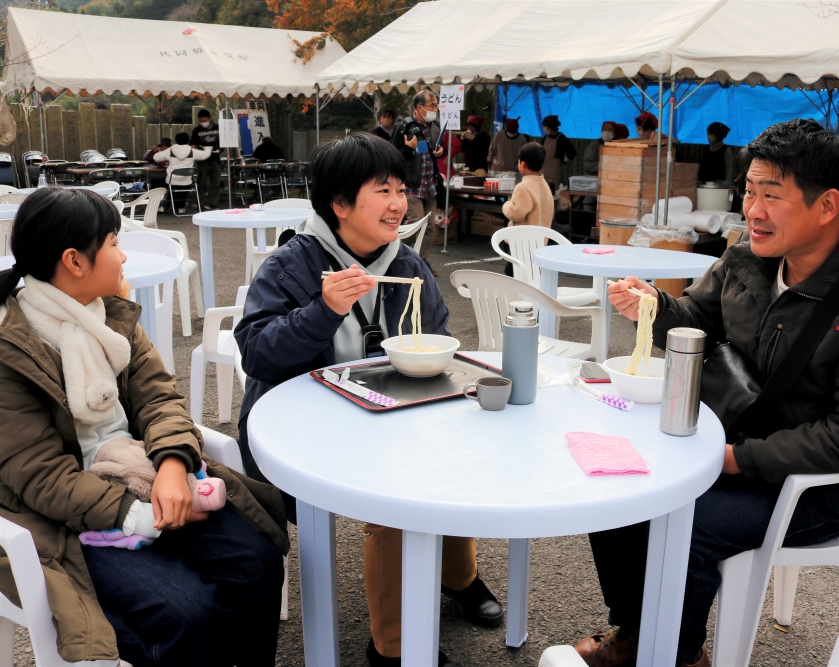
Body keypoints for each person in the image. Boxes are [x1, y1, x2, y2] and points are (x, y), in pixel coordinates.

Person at [573, 119, 839, 667]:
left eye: (772, 195)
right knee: (620, 487)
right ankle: (638, 635)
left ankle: (672, 654)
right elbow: (698, 317)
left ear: (827, 205)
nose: (753, 210)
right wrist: (654, 304)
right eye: (749, 190)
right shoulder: (748, 255)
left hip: (816, 485)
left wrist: (729, 460)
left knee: (684, 521)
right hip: (733, 438)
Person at [233, 134, 504, 667]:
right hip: (308, 431)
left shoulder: (406, 262)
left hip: (392, 411)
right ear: (339, 205)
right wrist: (323, 310)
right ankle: (395, 649)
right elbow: (256, 353)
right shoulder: (292, 264)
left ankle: (459, 577)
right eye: (383, 190)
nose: (400, 203)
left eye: (402, 189)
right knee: (398, 493)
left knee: (454, 461)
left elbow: (437, 334)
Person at [0, 188, 287, 666]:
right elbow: (38, 476)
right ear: (74, 260)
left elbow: (161, 399)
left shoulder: (110, 315)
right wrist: (137, 514)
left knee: (255, 563)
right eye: (113, 242)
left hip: (142, 475)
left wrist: (173, 465)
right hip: (59, 521)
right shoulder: (12, 348)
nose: (123, 254)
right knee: (182, 611)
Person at [391, 90, 443, 270]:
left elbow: (435, 148)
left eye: (436, 105)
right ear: (419, 107)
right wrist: (407, 148)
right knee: (415, 223)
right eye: (432, 106)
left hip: (430, 184)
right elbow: (392, 156)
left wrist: (440, 151)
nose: (435, 109)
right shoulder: (404, 127)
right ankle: (394, 252)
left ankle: (421, 261)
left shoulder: (434, 125)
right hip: (411, 185)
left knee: (429, 226)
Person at [154, 132, 210, 214]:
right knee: (185, 188)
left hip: (172, 180)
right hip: (186, 180)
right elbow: (206, 155)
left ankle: (163, 206)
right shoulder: (192, 151)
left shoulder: (170, 150)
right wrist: (208, 147)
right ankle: (181, 207)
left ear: (176, 140)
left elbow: (156, 158)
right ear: (188, 141)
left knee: (172, 190)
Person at [191, 109, 223, 210]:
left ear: (210, 118)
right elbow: (192, 144)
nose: (203, 123)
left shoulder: (219, 128)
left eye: (205, 120)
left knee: (215, 183)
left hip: (215, 159)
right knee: (201, 183)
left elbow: (224, 142)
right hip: (202, 161)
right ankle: (200, 204)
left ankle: (214, 204)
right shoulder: (196, 130)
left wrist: (219, 149)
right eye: (201, 121)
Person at [538, 114, 576, 191]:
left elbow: (572, 152)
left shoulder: (561, 138)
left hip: (554, 174)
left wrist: (564, 160)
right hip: (542, 172)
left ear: (550, 127)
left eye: (545, 126)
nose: (544, 128)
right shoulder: (545, 137)